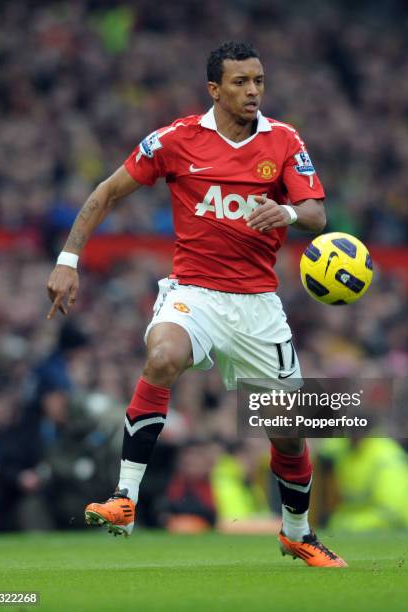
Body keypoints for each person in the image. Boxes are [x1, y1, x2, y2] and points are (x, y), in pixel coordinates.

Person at [46, 41, 346, 568]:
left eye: (258, 80)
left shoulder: (283, 140)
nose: (252, 90)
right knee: (162, 356)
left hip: (257, 305)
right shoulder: (174, 140)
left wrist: (289, 215)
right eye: (240, 82)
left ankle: (297, 532)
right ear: (214, 89)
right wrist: (68, 260)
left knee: (290, 433)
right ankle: (125, 499)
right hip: (194, 294)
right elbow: (106, 192)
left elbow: (317, 213)